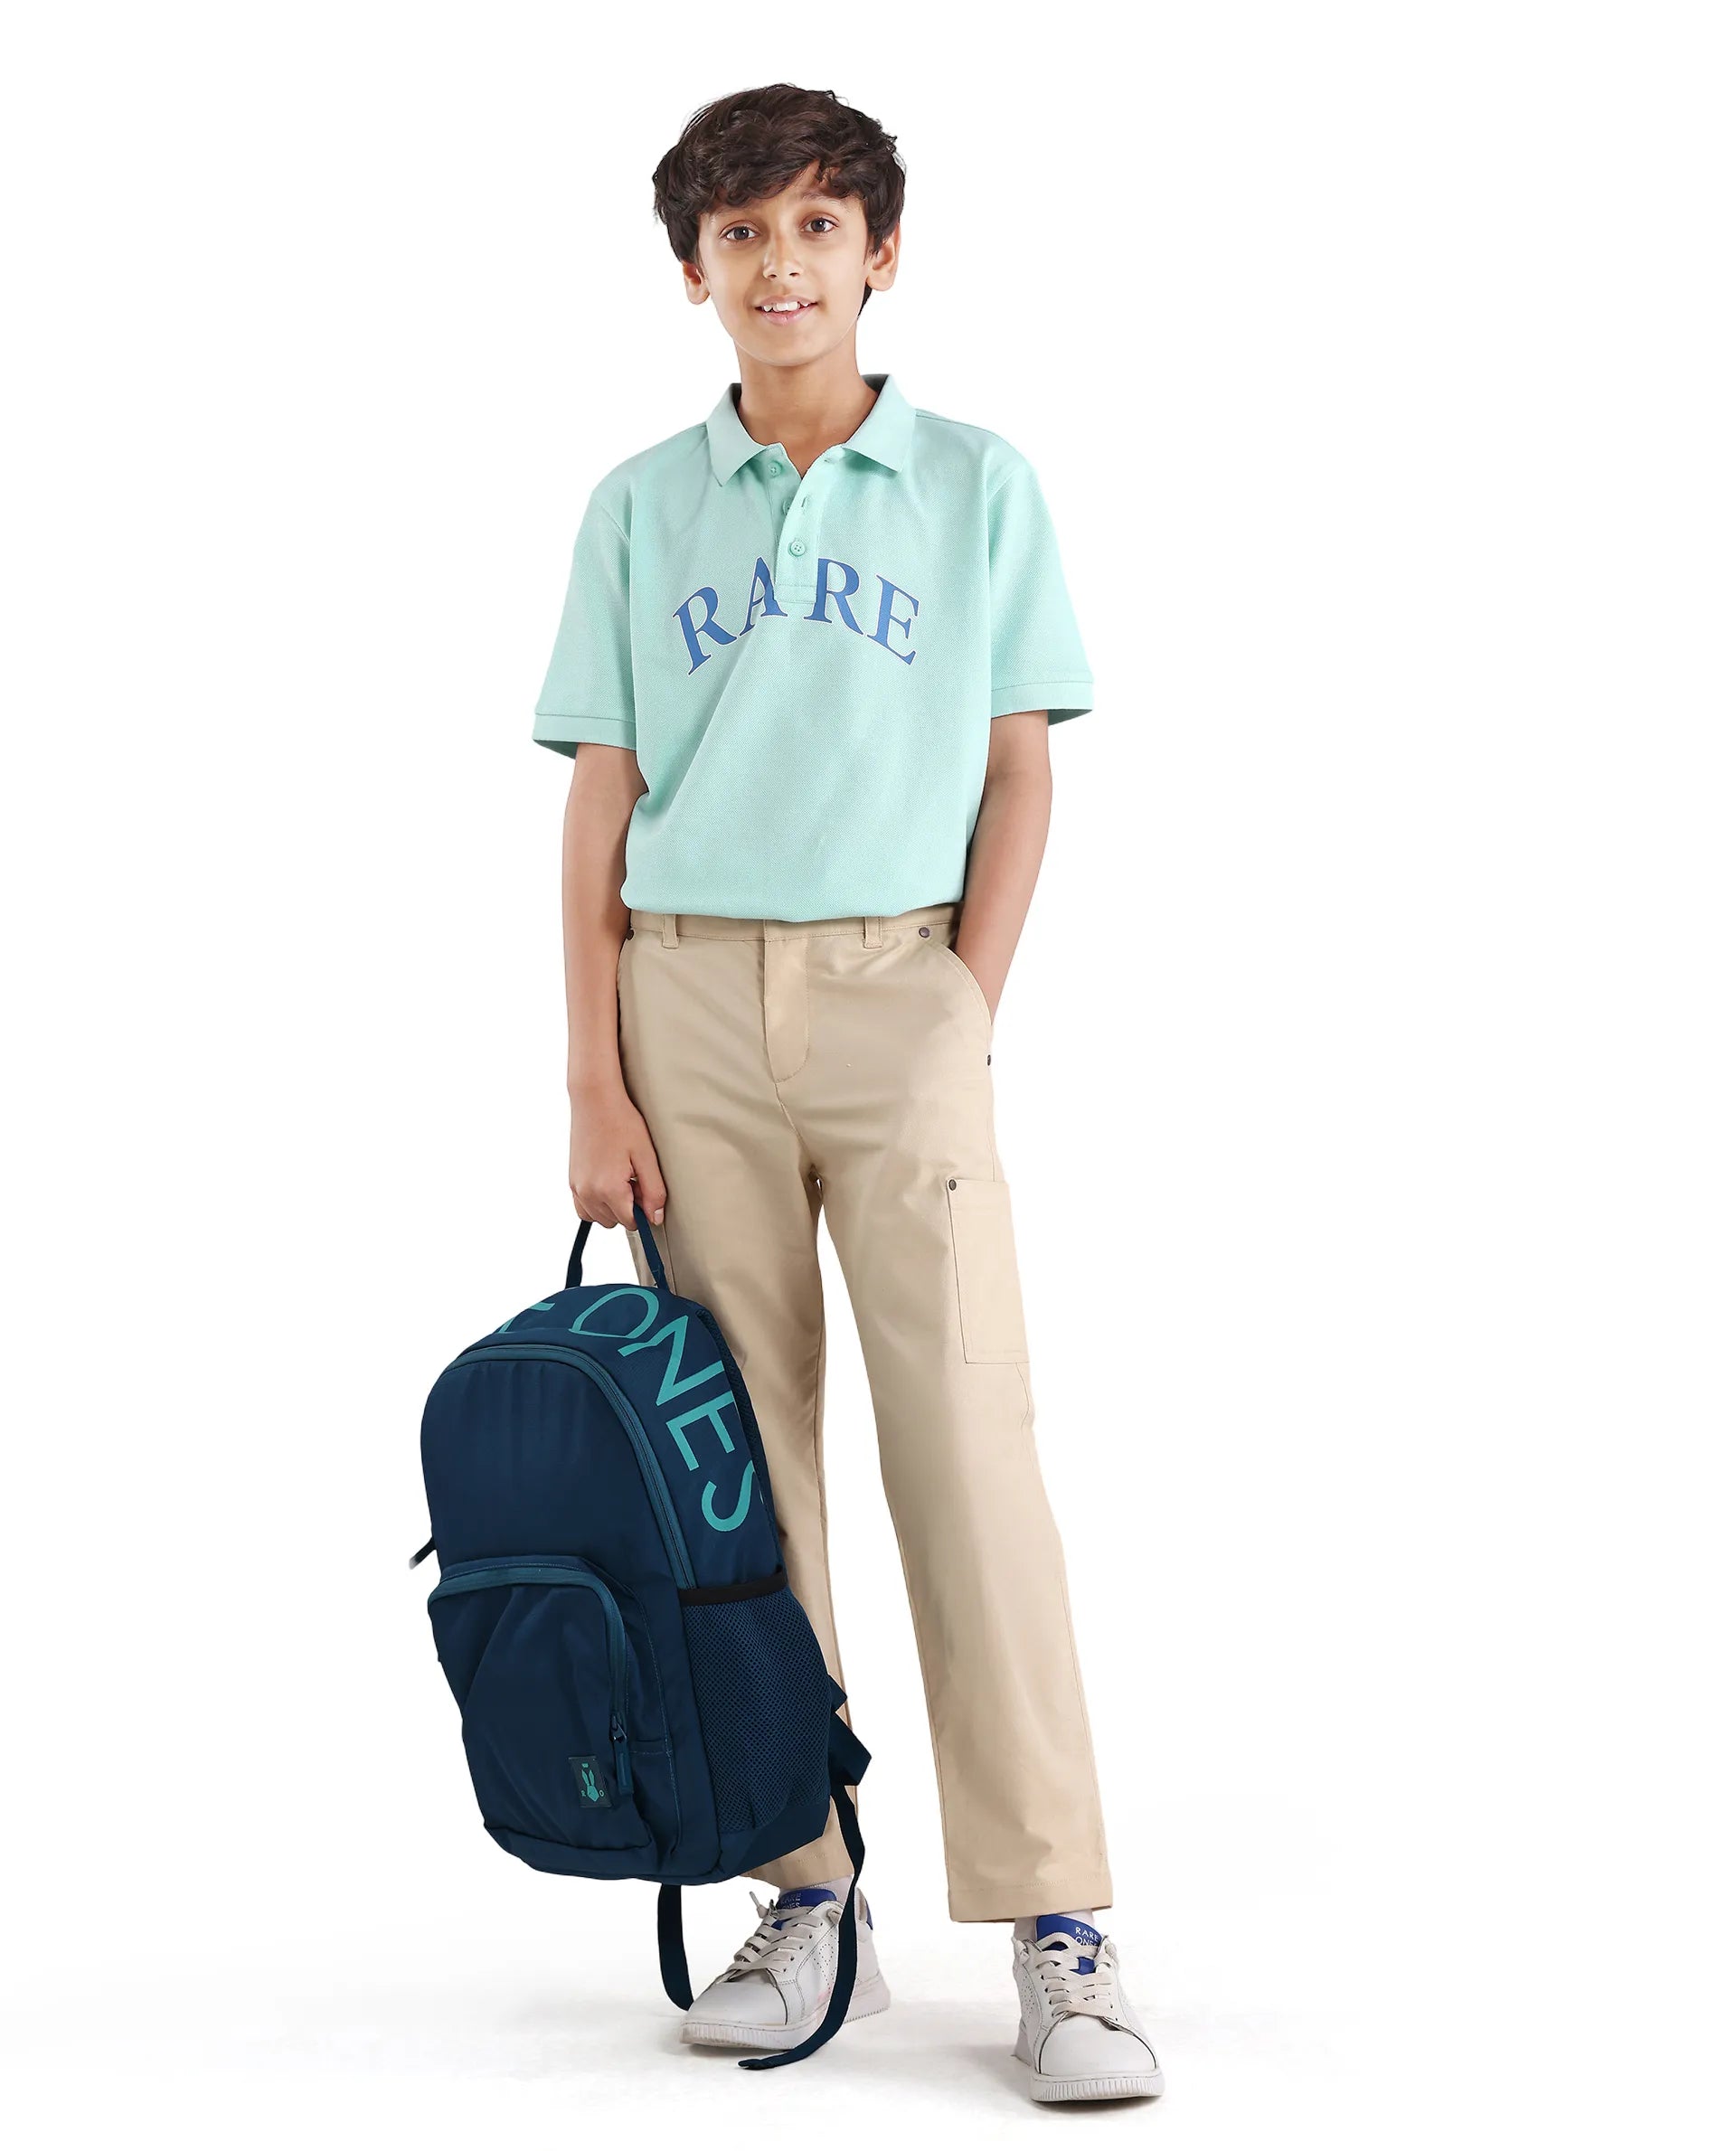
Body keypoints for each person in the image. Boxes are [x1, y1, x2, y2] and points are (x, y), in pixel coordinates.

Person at [533, 80, 1162, 2105]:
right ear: (692, 273)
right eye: (740, 235)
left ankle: (1059, 1919)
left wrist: (963, 1007)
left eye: (816, 226)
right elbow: (603, 797)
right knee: (743, 1475)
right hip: (686, 1003)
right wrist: (592, 1072)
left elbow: (1020, 765)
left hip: (903, 994)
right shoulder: (641, 505)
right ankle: (807, 1888)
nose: (779, 265)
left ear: (881, 253)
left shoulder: (976, 485)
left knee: (969, 1448)